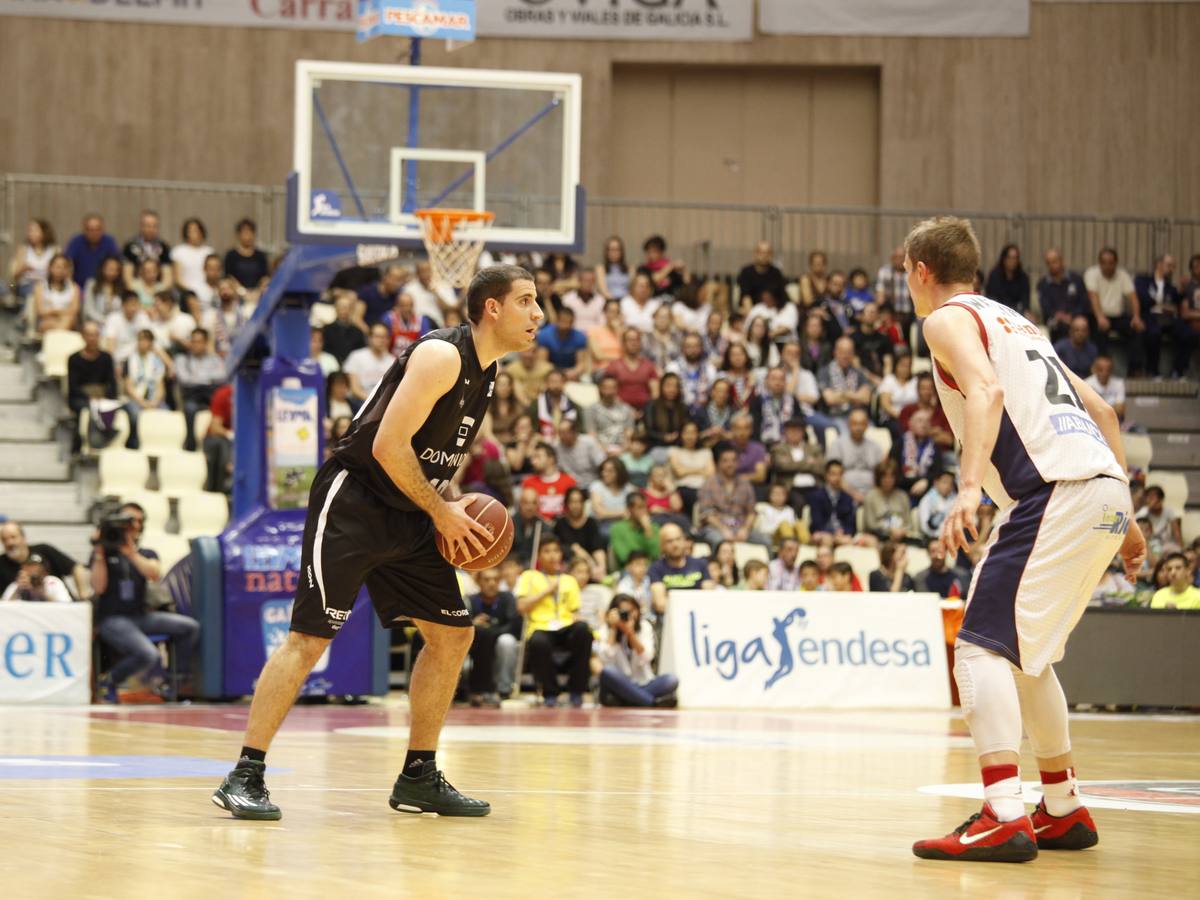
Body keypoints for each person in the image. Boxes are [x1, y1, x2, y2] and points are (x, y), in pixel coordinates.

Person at [212, 264, 543, 820]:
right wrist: (443, 513)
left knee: (453, 636)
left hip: (412, 511)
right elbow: (389, 446)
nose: (538, 314)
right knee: (309, 639)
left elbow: (429, 455)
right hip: (356, 501)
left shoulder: (486, 375)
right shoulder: (442, 356)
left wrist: (449, 502)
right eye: (527, 301)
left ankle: (419, 775)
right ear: (493, 309)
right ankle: (245, 773)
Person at [904, 216, 1143, 862]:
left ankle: (1002, 811)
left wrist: (966, 488)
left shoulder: (945, 320)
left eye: (907, 273)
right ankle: (1061, 807)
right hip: (1103, 487)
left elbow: (984, 389)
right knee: (1027, 657)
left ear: (920, 271)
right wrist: (1128, 518)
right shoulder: (1018, 322)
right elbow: (1100, 410)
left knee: (978, 648)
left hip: (1051, 492)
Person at [91, 503, 200, 701]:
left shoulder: (146, 553)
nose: (134, 524)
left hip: (140, 616)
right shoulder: (105, 552)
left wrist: (130, 552)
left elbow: (154, 574)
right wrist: (99, 553)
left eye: (138, 521)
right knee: (149, 654)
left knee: (190, 627)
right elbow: (98, 588)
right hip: (112, 619)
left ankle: (173, 681)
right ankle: (109, 680)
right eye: (128, 520)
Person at [516, 537, 592, 708]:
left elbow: (575, 612)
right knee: (538, 641)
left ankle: (576, 691)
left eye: (556, 551)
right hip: (541, 627)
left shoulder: (569, 580)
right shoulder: (529, 576)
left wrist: (580, 621)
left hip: (565, 625)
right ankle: (550, 692)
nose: (552, 556)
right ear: (539, 556)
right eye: (547, 551)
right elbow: (521, 607)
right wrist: (547, 591)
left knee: (583, 631)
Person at [598, 594, 678, 708]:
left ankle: (632, 699)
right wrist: (613, 629)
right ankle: (651, 703)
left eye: (632, 610)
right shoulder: (605, 629)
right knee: (608, 671)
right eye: (623, 612)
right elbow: (606, 658)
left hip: (643, 683)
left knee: (671, 680)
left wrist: (630, 634)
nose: (629, 615)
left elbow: (647, 657)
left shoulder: (644, 626)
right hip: (618, 685)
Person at [463, 567, 522, 705]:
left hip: (499, 639)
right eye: (487, 579)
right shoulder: (470, 600)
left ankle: (504, 690)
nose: (491, 583)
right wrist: (473, 624)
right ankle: (473, 690)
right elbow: (461, 627)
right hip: (475, 643)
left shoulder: (507, 597)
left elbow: (513, 625)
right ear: (479, 582)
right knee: (482, 637)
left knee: (506, 641)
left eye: (495, 579)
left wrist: (492, 630)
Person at [1084, 246, 1145, 375]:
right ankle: (1101, 369)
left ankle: (1134, 370)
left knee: (1135, 329)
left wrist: (1136, 317)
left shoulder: (1123, 275)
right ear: (1099, 263)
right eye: (1104, 263)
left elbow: (1133, 298)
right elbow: (1093, 297)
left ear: (1116, 263)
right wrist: (1100, 317)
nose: (1107, 266)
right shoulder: (1091, 273)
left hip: (1118, 317)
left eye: (1111, 263)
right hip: (1097, 315)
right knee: (1099, 332)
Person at [66, 321, 119, 454]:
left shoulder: (106, 358)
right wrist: (90, 397)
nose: (93, 338)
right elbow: (73, 387)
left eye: (95, 335)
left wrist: (104, 397)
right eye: (89, 335)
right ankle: (90, 445)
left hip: (103, 397)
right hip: (81, 398)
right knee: (90, 410)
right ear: (83, 336)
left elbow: (112, 383)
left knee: (122, 409)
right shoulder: (74, 359)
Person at [697, 446, 763, 550]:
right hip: (715, 528)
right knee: (719, 541)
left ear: (738, 463)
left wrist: (745, 529)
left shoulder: (745, 484)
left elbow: (751, 512)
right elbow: (707, 514)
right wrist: (723, 529)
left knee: (766, 541)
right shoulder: (709, 484)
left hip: (740, 527)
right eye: (725, 461)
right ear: (718, 463)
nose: (730, 464)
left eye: (733, 460)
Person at [0, 522, 87, 600]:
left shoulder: (53, 582)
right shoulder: (15, 585)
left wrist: (83, 595)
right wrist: (18, 589)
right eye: (4, 539)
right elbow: (5, 607)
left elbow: (77, 568)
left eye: (13, 537)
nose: (9, 543)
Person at [175, 328, 225, 452]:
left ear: (206, 343)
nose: (196, 345)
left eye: (199, 341)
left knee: (223, 405)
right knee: (189, 408)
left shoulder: (215, 359)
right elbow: (184, 379)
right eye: (193, 341)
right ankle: (191, 445)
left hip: (210, 394)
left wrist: (198, 377)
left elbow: (222, 376)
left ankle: (217, 445)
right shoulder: (182, 359)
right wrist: (208, 378)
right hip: (192, 395)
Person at [648, 523, 714, 617]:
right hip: (670, 619)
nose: (675, 544)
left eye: (678, 539)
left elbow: (709, 597)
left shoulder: (700, 564)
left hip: (699, 617)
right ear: (662, 545)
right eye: (669, 541)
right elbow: (660, 604)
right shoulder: (656, 568)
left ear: (684, 540)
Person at [827, 407, 883, 502]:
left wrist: (871, 495)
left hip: (872, 494)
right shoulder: (837, 445)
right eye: (855, 424)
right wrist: (854, 494)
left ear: (867, 426)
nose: (858, 428)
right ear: (848, 425)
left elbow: (881, 475)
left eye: (862, 424)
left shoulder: (875, 447)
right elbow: (833, 474)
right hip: (843, 493)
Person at [818, 337, 872, 435]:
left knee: (873, 433)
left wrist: (842, 394)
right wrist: (855, 396)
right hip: (835, 417)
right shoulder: (825, 372)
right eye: (842, 352)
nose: (845, 356)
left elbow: (866, 398)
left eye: (849, 352)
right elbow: (830, 399)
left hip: (858, 416)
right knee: (845, 433)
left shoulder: (858, 372)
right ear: (835, 352)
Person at [770, 417, 824, 511]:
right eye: (791, 430)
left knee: (820, 499)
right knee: (798, 501)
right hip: (791, 487)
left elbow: (821, 468)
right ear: (785, 432)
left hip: (813, 486)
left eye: (797, 430)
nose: (794, 433)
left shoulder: (814, 448)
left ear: (803, 432)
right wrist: (808, 463)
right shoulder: (778, 448)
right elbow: (781, 466)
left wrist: (792, 463)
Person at [1037, 248, 1089, 343]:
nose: (1052, 265)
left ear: (1061, 261)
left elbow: (1083, 302)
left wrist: (1072, 316)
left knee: (1081, 324)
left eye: (1054, 261)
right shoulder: (1043, 284)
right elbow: (1045, 306)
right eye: (1049, 263)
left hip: (1074, 318)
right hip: (1054, 320)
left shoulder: (1076, 279)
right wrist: (1059, 316)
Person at [554, 486, 607, 579]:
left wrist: (602, 567)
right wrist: (592, 566)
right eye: (572, 502)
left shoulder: (591, 522)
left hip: (590, 569)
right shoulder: (561, 524)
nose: (576, 505)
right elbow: (575, 548)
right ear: (567, 504)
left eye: (579, 501)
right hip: (569, 568)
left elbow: (597, 548)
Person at [808, 460, 864, 547]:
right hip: (823, 533)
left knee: (853, 540)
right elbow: (816, 522)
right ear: (826, 475)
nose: (837, 477)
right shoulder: (817, 496)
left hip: (842, 535)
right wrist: (832, 534)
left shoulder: (847, 497)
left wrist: (845, 533)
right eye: (833, 474)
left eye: (840, 474)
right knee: (827, 539)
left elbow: (851, 523)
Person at [521, 441, 577, 522]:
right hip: (538, 526)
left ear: (551, 459)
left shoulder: (569, 481)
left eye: (538, 457)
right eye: (533, 458)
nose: (533, 461)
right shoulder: (528, 483)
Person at [604, 328, 659, 410]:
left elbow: (655, 393)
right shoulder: (613, 366)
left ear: (640, 343)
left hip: (646, 411)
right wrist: (627, 411)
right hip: (619, 410)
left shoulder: (649, 366)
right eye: (629, 340)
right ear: (623, 343)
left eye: (636, 339)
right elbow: (608, 392)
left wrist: (647, 410)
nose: (633, 343)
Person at [64, 213, 121, 288]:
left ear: (102, 229)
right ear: (84, 230)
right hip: (79, 287)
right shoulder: (76, 242)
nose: (94, 233)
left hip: (103, 287)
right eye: (90, 230)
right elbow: (67, 263)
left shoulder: (109, 242)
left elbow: (116, 264)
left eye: (97, 229)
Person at [343, 323, 396, 402]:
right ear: (369, 338)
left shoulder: (393, 361)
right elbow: (354, 389)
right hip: (360, 402)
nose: (381, 340)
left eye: (384, 337)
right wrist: (372, 402)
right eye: (377, 336)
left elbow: (392, 389)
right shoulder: (356, 356)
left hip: (383, 403)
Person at [863, 460, 912, 545]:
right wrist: (890, 530)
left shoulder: (903, 496)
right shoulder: (870, 496)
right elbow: (870, 524)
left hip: (901, 537)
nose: (888, 480)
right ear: (879, 478)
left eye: (891, 477)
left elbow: (909, 523)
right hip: (879, 537)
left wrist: (902, 531)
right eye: (884, 477)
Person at [9, 218, 57, 303]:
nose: (30, 234)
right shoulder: (23, 249)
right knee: (34, 292)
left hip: (47, 285)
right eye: (29, 231)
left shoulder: (54, 250)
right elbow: (14, 276)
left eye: (34, 231)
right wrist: (23, 268)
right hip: (27, 285)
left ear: (44, 232)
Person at [608, 491, 660, 569]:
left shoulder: (654, 528)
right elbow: (624, 557)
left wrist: (648, 531)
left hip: (652, 569)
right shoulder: (617, 529)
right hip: (628, 571)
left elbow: (656, 555)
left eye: (646, 507)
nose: (644, 511)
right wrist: (645, 563)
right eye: (640, 507)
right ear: (629, 509)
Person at [536, 305, 591, 380]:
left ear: (572, 322)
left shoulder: (580, 337)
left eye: (568, 322)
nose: (565, 326)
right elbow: (542, 362)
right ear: (557, 320)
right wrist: (558, 373)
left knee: (586, 378)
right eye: (562, 321)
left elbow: (581, 363)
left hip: (571, 372)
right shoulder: (545, 335)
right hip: (550, 371)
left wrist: (574, 372)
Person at [122, 210, 173, 288]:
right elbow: (127, 275)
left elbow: (167, 276)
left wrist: (161, 291)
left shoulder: (164, 247)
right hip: (136, 289)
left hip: (158, 289)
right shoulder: (130, 246)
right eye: (148, 226)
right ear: (141, 226)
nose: (151, 229)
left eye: (154, 226)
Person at [529, 368, 581, 440]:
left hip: (567, 442)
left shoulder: (573, 406)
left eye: (559, 381)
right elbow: (531, 429)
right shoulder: (536, 405)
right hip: (543, 442)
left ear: (564, 383)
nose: (556, 385)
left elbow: (580, 430)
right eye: (552, 381)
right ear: (546, 383)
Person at [34, 254, 80, 333]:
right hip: (46, 321)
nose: (60, 270)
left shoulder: (74, 287)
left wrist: (53, 312)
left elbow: (74, 310)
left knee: (67, 320)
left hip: (68, 321)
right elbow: (40, 311)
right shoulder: (40, 286)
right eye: (57, 267)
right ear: (50, 268)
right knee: (58, 322)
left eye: (64, 267)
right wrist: (59, 312)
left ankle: (56, 340)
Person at [0, 553, 73, 603]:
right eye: (29, 568)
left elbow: (66, 607)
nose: (32, 572)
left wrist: (43, 593)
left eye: (36, 569)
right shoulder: (17, 585)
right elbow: (4, 610)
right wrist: (17, 591)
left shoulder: (52, 582)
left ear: (45, 573)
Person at [223, 218, 270, 295]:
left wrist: (256, 293)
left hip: (257, 294)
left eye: (250, 231)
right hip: (237, 294)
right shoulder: (231, 255)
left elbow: (265, 278)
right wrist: (243, 292)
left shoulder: (261, 256)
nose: (247, 235)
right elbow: (229, 277)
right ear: (238, 234)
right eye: (244, 232)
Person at [170, 218, 214, 295]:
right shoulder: (178, 251)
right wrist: (192, 292)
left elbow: (214, 275)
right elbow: (177, 279)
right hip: (186, 293)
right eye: (190, 231)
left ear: (202, 232)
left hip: (208, 291)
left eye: (196, 230)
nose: (194, 234)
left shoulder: (209, 251)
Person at [985, 244, 1031, 318]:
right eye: (1009, 258)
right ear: (1004, 259)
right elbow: (991, 299)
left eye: (1015, 258)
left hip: (1017, 314)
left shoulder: (1023, 277)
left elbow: (1025, 302)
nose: (1012, 261)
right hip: (998, 314)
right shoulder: (994, 276)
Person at [737, 241, 787, 307]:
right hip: (753, 309)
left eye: (768, 253)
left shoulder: (776, 273)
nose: (765, 255)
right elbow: (746, 297)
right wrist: (752, 314)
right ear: (755, 253)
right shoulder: (746, 272)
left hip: (773, 309)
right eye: (762, 252)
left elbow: (782, 296)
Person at [1136, 485, 1183, 554]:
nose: (1149, 500)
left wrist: (1181, 548)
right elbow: (1135, 523)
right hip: (1148, 543)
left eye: (1152, 497)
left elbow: (1177, 533)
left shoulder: (1168, 511)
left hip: (1165, 544)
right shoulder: (1144, 511)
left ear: (1161, 500)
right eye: (1148, 497)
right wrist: (1148, 508)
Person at [358, 264, 408, 328]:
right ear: (384, 276)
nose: (398, 284)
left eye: (400, 280)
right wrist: (371, 334)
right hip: (369, 332)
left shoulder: (398, 295)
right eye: (395, 279)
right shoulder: (367, 291)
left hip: (389, 334)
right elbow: (356, 318)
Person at [561, 267, 607, 333]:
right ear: (579, 281)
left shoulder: (601, 300)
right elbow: (565, 321)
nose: (588, 283)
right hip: (573, 336)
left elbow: (602, 323)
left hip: (595, 337)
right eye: (585, 280)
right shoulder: (567, 299)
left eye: (591, 281)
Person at [917, 471, 958, 541]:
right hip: (932, 539)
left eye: (951, 484)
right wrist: (941, 535)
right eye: (945, 482)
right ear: (936, 483)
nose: (948, 486)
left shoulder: (956, 499)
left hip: (952, 537)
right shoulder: (927, 500)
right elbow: (925, 527)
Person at [1085, 355, 1125, 422]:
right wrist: (1111, 409)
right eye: (1100, 370)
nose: (1104, 373)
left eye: (1108, 370)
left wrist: (1098, 410)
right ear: (1094, 369)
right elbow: (1087, 409)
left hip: (1114, 421)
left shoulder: (1119, 384)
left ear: (1112, 370)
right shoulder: (1086, 383)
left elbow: (1120, 409)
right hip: (1093, 421)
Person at [595, 235, 630, 301]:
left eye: (617, 250)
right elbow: (603, 290)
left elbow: (632, 290)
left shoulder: (630, 268)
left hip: (626, 302)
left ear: (622, 252)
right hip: (608, 301)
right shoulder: (600, 268)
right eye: (611, 250)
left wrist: (625, 302)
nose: (614, 253)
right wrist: (614, 302)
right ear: (606, 252)